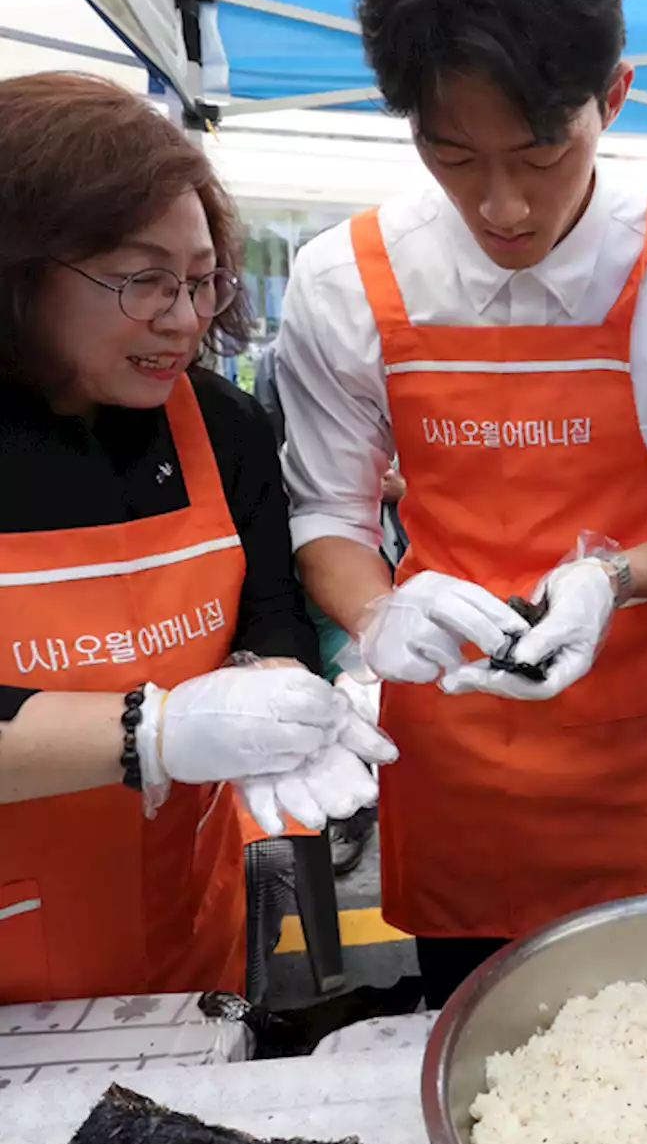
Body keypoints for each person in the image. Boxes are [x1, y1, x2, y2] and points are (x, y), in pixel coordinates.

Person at [275, 0, 647, 1003]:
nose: (501, 206)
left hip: (639, 755)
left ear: (615, 96)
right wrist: (376, 610)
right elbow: (329, 514)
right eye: (453, 157)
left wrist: (608, 581)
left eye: (542, 153)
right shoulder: (345, 281)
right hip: (452, 756)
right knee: (475, 1039)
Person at [0, 75, 395, 1003]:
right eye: (142, 281)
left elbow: (270, 614)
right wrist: (156, 730)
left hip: (182, 921)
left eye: (201, 280)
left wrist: (281, 691)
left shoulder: (220, 427)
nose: (184, 319)